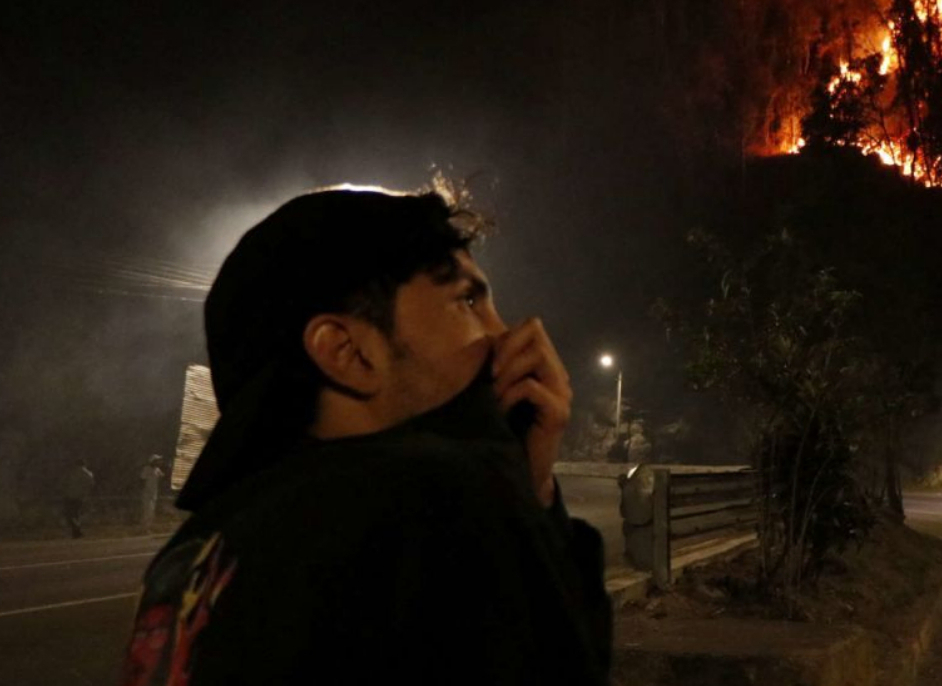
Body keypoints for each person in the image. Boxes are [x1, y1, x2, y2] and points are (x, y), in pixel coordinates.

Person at [120, 184, 610, 685]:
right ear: (347, 352)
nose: (507, 337)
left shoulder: (192, 552)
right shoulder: (434, 496)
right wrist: (520, 501)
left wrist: (531, 484)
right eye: (466, 301)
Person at [60, 459, 95, 538]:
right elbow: (91, 484)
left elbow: (64, 482)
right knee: (76, 513)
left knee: (70, 514)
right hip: (81, 496)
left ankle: (77, 529)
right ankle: (77, 531)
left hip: (70, 495)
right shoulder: (88, 474)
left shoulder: (71, 472)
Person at [139, 455, 164, 532]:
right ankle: (145, 528)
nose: (159, 462)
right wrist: (144, 490)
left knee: (151, 511)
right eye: (157, 460)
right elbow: (142, 479)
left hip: (154, 493)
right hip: (147, 492)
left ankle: (148, 527)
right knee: (147, 511)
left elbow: (163, 476)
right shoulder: (146, 469)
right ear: (152, 461)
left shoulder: (157, 469)